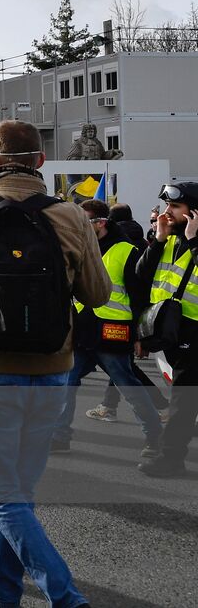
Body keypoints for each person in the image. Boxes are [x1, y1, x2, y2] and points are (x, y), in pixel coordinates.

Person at [0, 120, 107, 608]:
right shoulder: (70, 215)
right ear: (40, 161)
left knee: (0, 495)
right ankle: (2, 593)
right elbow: (97, 293)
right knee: (18, 493)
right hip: (51, 365)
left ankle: (65, 596)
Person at [54, 199, 162, 457]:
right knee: (66, 382)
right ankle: (59, 437)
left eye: (84, 221)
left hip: (113, 331)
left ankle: (155, 437)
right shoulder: (81, 248)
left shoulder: (127, 251)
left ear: (100, 223)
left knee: (128, 384)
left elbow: (139, 296)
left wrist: (140, 336)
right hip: (83, 330)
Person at [135, 181, 198, 477]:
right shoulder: (169, 239)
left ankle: (170, 458)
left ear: (194, 212)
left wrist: (194, 241)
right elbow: (141, 274)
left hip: (194, 332)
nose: (167, 212)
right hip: (172, 329)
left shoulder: (193, 240)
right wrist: (158, 239)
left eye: (175, 207)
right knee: (185, 398)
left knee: (183, 400)